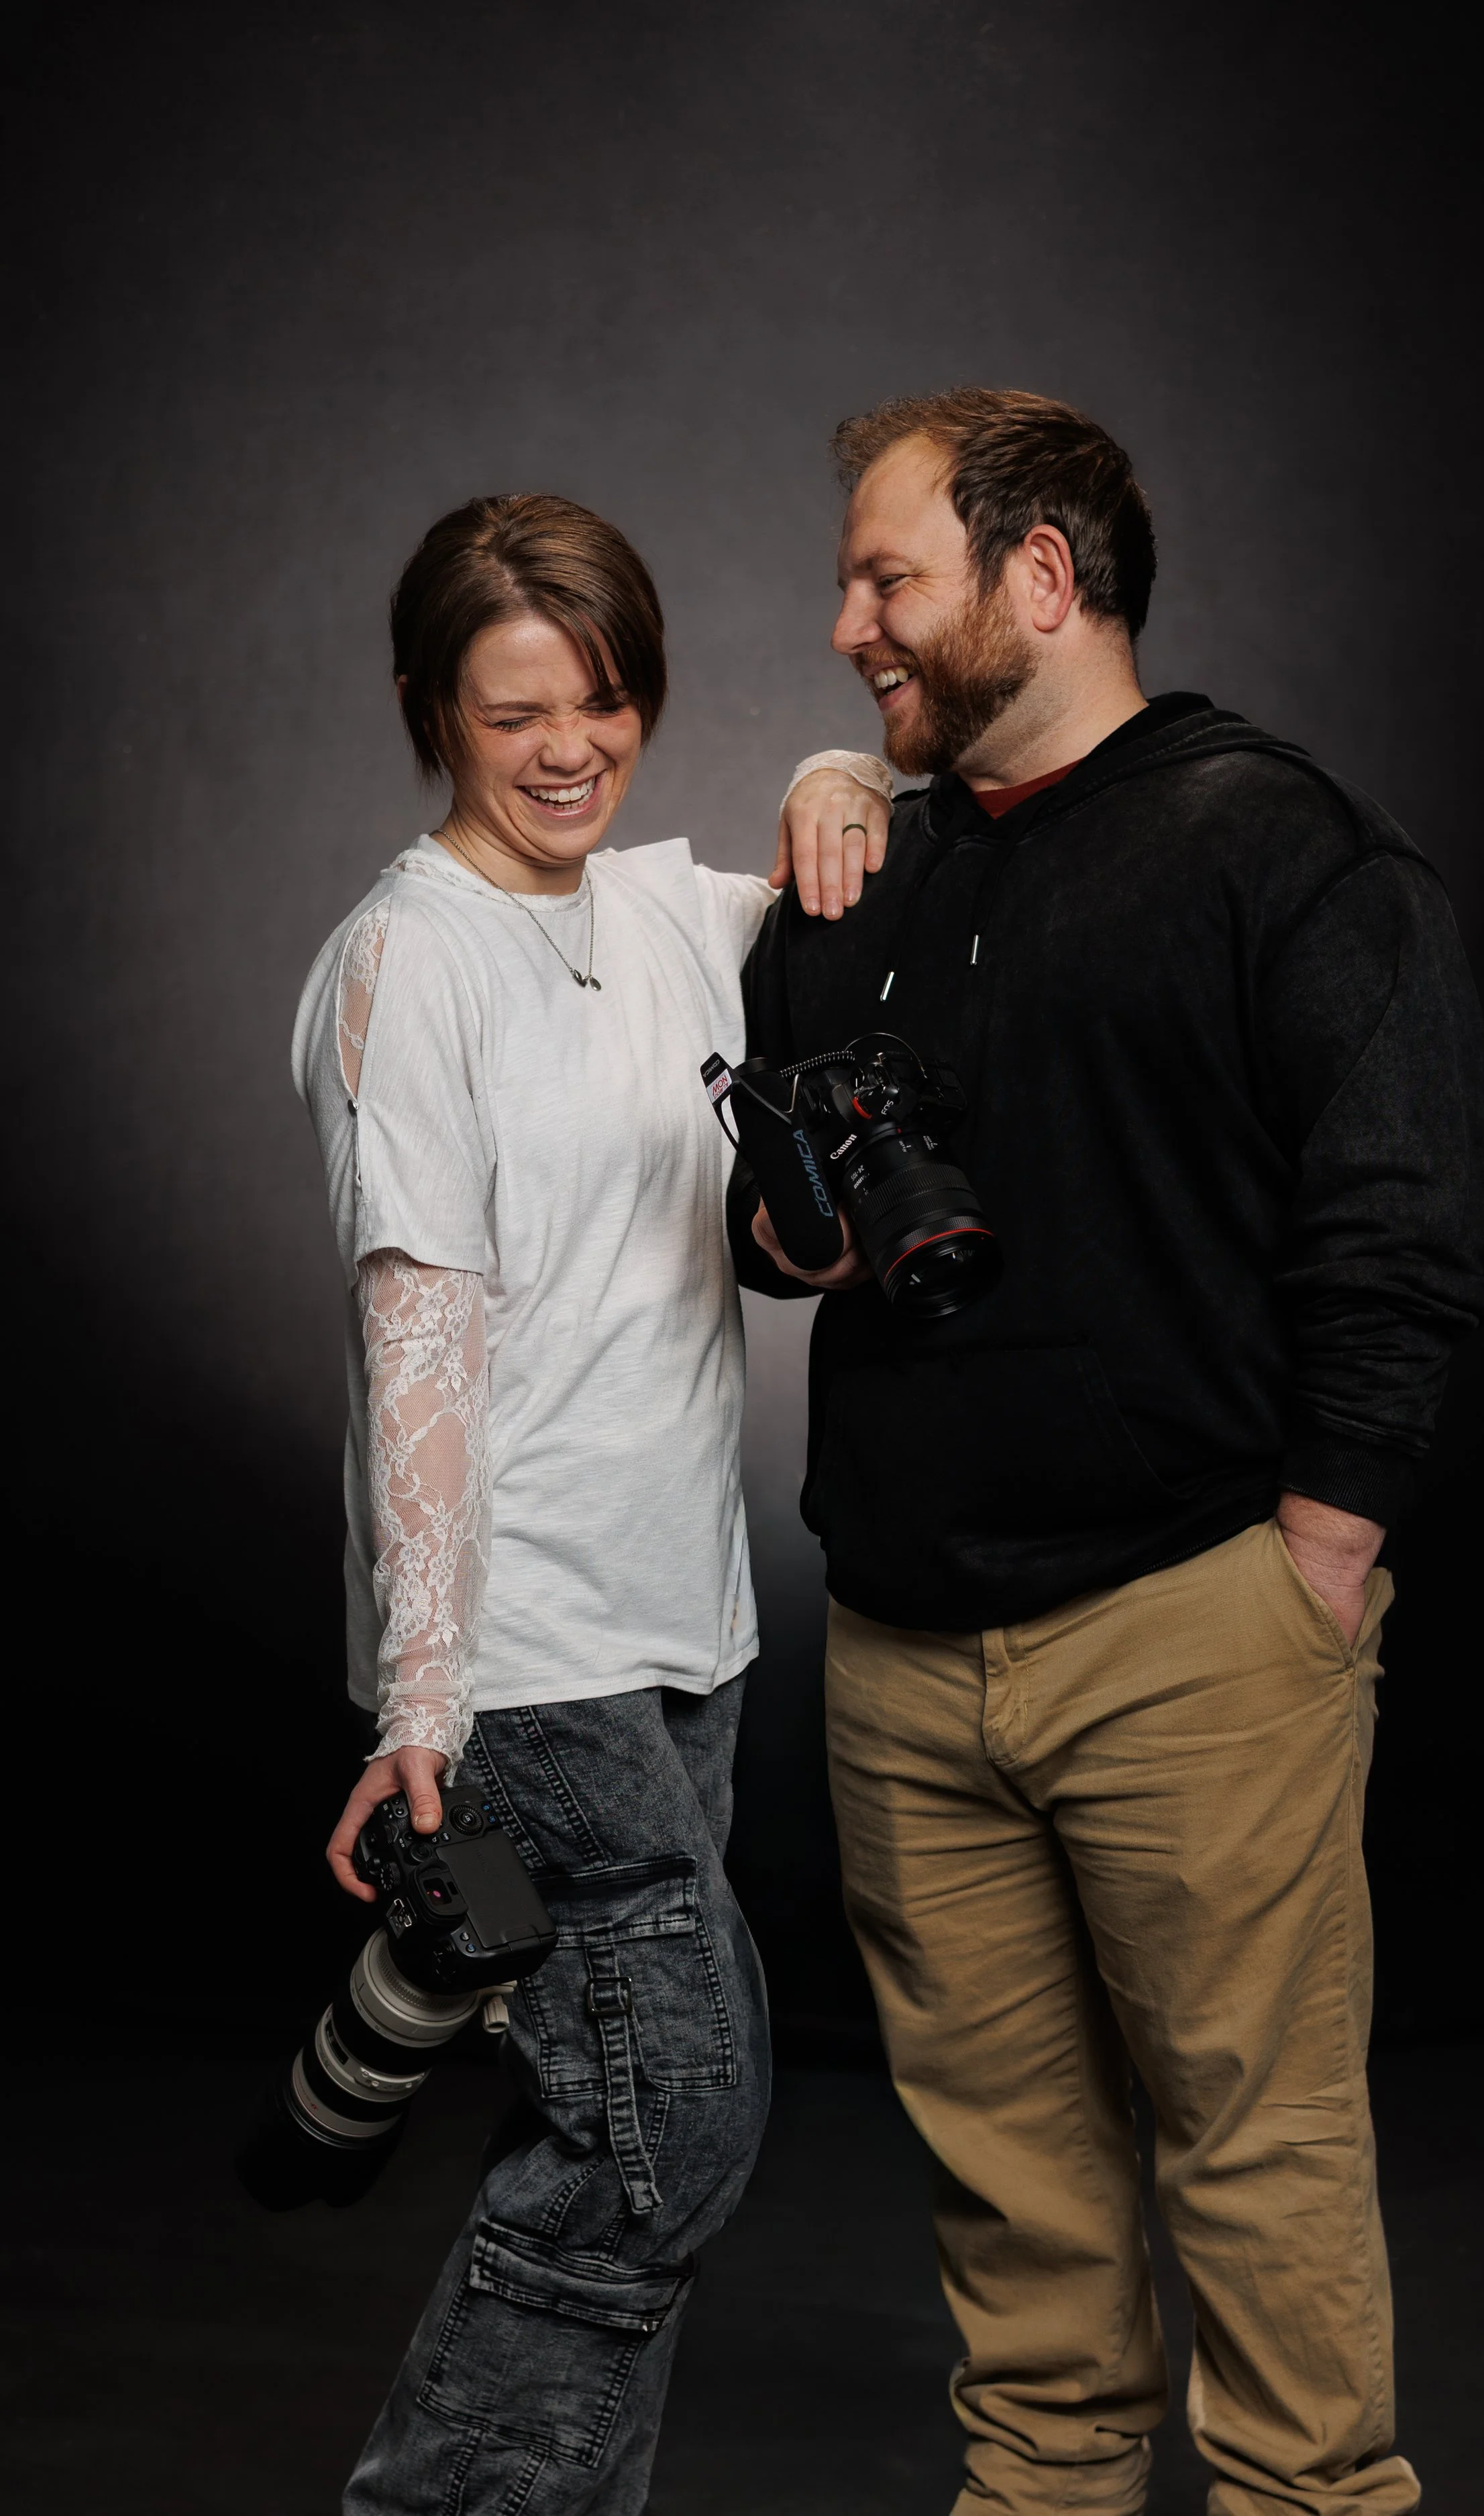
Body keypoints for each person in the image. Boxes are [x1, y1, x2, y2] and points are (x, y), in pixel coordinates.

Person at [735, 390, 1484, 2516]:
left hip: (1196, 1623)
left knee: (1253, 2165)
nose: (844, 625)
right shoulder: (863, 865)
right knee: (1016, 2214)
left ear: (1041, 578)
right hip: (904, 1655)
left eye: (887, 578)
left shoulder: (1276, 844)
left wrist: (1319, 1554)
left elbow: (1407, 1214)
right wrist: (795, 1183)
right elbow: (769, 1214)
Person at [292, 491, 890, 2516]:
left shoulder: (650, 914)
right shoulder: (405, 961)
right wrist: (423, 1699)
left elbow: (839, 875)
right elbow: (423, 1353)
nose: (570, 750)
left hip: (685, 1640)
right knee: (677, 2125)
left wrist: (829, 771)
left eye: (610, 701)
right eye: (516, 712)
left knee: (611, 2130)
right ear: (428, 710)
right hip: (529, 1657)